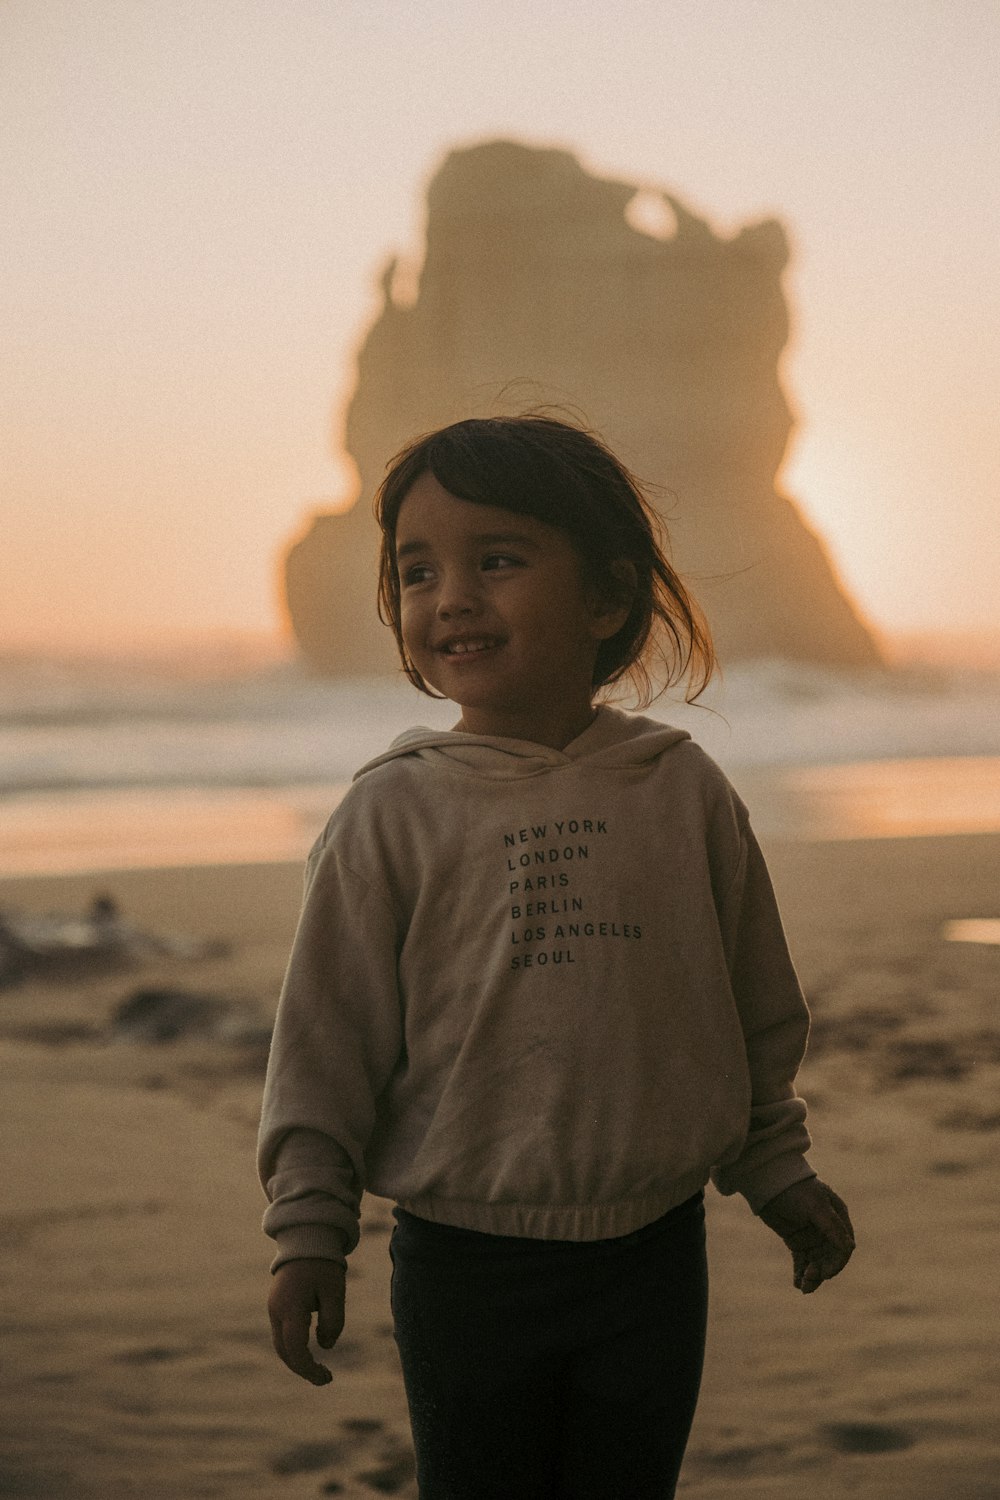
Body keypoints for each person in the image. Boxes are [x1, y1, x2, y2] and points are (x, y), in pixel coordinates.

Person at [258, 413, 855, 1499]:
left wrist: (774, 1166)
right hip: (463, 1262)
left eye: (497, 560)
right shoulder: (391, 814)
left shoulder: (680, 791)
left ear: (607, 597)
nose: (452, 597)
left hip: (653, 1255)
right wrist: (309, 1226)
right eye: (418, 570)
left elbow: (746, 1005)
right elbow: (324, 1044)